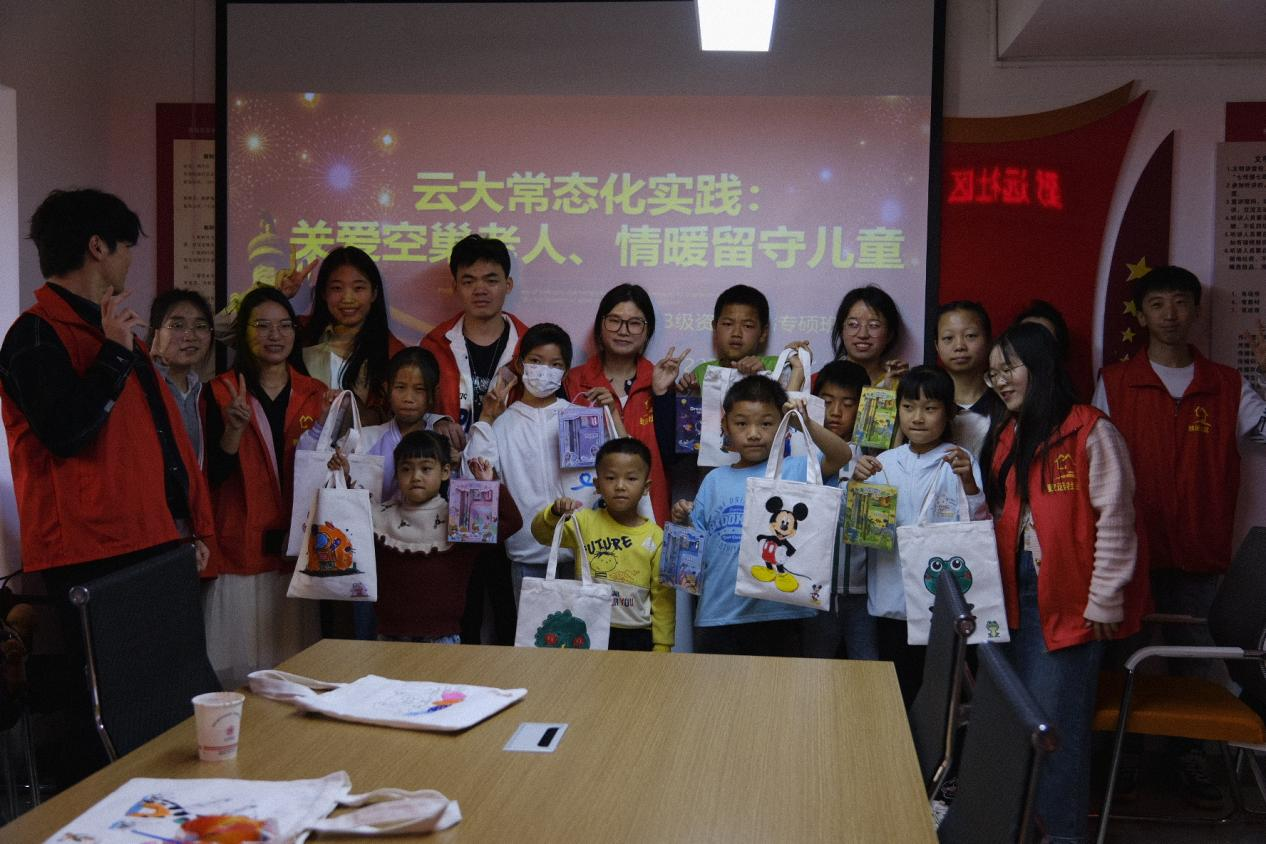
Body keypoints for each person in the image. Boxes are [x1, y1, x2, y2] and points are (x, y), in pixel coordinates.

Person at [0, 188, 214, 783]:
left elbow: (162, 442)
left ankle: (177, 811)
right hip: (92, 549)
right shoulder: (35, 334)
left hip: (150, 538)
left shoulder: (112, 328)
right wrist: (115, 357)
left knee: (170, 703)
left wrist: (186, 524)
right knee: (113, 714)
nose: (128, 262)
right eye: (124, 248)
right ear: (98, 247)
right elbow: (65, 432)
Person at [1093, 265, 1266, 805]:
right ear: (1142, 315)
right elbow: (1094, 458)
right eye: (1157, 304)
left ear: (1195, 310)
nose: (1170, 314)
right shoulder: (1115, 381)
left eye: (1180, 302)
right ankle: (1128, 756)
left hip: (1199, 550)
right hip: (1131, 550)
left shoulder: (1227, 384)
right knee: (1128, 658)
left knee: (1198, 662)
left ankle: (1195, 759)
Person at [982, 322, 1142, 843]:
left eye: (1009, 369)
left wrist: (1104, 600)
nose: (1000, 381)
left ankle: (1063, 836)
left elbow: (1116, 521)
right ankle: (1024, 831)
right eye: (993, 374)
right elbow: (1004, 515)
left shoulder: (1091, 430)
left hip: (1071, 601)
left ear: (1041, 366)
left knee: (1055, 731)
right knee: (1019, 725)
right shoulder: (1007, 433)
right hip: (1013, 594)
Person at [671, 374, 851, 656]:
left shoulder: (795, 469)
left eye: (766, 424)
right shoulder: (714, 480)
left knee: (777, 685)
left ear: (783, 426)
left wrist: (804, 423)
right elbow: (694, 550)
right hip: (718, 613)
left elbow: (841, 455)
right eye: (742, 423)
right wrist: (683, 520)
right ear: (725, 426)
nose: (754, 433)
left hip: (781, 615)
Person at [203, 286, 327, 689]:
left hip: (297, 550)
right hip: (238, 547)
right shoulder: (218, 392)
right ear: (244, 333)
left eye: (284, 326)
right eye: (262, 326)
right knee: (235, 675)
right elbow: (209, 476)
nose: (275, 335)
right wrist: (233, 430)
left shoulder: (316, 395)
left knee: (294, 673)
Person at [851, 366, 986, 704]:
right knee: (897, 693)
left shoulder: (960, 461)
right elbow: (861, 534)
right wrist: (856, 485)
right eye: (909, 407)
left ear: (949, 413)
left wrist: (969, 483)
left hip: (942, 605)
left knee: (943, 695)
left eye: (930, 408)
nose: (918, 417)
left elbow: (977, 524)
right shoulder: (882, 463)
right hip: (891, 603)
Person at [465, 323, 627, 597]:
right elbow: (476, 480)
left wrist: (611, 415)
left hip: (585, 551)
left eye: (555, 365)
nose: (544, 371)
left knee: (585, 623)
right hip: (528, 554)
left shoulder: (581, 418)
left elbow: (623, 463)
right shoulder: (503, 424)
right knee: (535, 624)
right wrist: (486, 418)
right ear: (521, 364)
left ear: (565, 371)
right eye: (536, 361)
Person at [362, 432, 522, 644]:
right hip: (389, 637)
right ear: (397, 473)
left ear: (445, 471)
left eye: (426, 468)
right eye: (406, 469)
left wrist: (489, 485)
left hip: (442, 638)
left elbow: (512, 521)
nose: (415, 476)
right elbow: (346, 526)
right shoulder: (379, 517)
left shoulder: (462, 518)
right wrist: (341, 477)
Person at [532, 438, 674, 652]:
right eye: (610, 478)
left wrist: (663, 645)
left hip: (637, 635)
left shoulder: (657, 537)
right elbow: (541, 535)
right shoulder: (583, 522)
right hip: (586, 629)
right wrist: (553, 513)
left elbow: (663, 596)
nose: (620, 486)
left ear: (646, 487)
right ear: (597, 485)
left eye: (631, 478)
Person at [564, 284, 686, 524]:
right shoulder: (573, 382)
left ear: (647, 331)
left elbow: (673, 459)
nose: (623, 331)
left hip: (648, 518)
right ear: (600, 325)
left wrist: (661, 394)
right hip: (587, 518)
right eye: (614, 321)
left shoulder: (660, 381)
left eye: (634, 323)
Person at [803, 359, 878, 660]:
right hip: (812, 589)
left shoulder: (874, 455)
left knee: (868, 667)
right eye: (826, 401)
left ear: (863, 407)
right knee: (812, 668)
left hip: (864, 590)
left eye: (848, 404)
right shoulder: (804, 452)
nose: (835, 412)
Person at [421, 234, 529, 438]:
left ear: (508, 285)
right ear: (455, 287)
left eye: (491, 280)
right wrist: (435, 420)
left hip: (511, 456)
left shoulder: (530, 347)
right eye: (469, 281)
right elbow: (412, 405)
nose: (480, 290)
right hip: (451, 456)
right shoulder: (434, 345)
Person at [291, 246, 411, 427]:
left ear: (374, 293)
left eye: (358, 288)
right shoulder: (297, 334)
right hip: (300, 441)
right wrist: (280, 295)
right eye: (337, 288)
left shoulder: (393, 352)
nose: (347, 298)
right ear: (323, 293)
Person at [148, 289, 215, 466]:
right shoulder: (139, 386)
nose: (190, 336)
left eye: (200, 326)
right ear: (155, 332)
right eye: (177, 326)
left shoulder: (204, 393)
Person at [936, 300, 1004, 456]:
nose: (959, 346)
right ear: (936, 346)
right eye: (948, 338)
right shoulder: (926, 403)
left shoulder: (1005, 401)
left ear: (989, 341)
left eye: (970, 336)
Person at [683, 284, 781, 388]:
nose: (736, 333)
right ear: (715, 328)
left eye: (747, 326)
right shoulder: (702, 373)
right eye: (727, 324)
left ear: (763, 333)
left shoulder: (779, 366)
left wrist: (763, 376)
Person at [829, 285, 909, 387]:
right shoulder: (819, 382)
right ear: (842, 330)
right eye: (853, 324)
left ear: (889, 334)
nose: (863, 334)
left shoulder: (901, 386)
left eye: (874, 325)